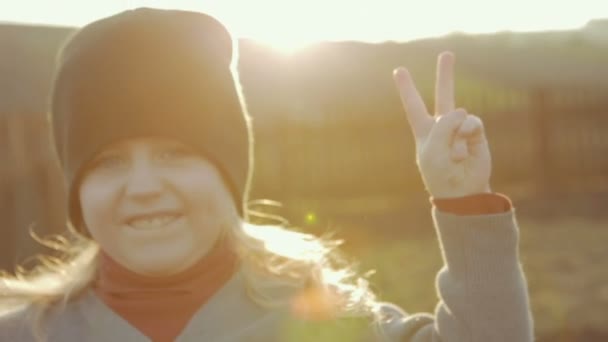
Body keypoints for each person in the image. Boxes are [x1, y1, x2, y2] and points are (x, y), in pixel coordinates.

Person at [0, 7, 534, 342]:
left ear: (229, 175)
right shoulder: (27, 332)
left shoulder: (323, 319)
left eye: (175, 153)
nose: (142, 186)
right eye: (108, 161)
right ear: (76, 190)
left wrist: (464, 205)